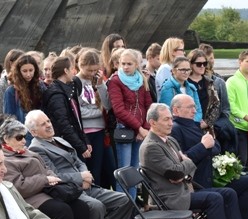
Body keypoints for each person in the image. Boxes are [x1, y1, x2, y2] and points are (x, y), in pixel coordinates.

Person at [139, 103, 248, 219]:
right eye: (166, 119)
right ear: (152, 122)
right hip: (171, 198)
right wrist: (183, 168)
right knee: (214, 199)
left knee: (228, 193)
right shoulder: (150, 147)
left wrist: (183, 169)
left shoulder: (170, 140)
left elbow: (182, 170)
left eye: (170, 119)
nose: (170, 123)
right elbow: (176, 172)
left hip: (183, 189)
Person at [26, 110, 130, 219]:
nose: (48, 125)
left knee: (124, 200)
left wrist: (85, 174)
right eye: (43, 124)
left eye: (48, 121)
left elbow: (78, 161)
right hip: (70, 190)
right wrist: (80, 178)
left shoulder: (59, 140)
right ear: (34, 132)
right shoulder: (36, 149)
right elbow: (54, 175)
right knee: (96, 206)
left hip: (87, 184)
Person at [169, 94, 248, 219]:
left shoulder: (195, 125)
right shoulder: (176, 130)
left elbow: (215, 147)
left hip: (213, 173)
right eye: (190, 107)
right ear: (176, 110)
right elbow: (183, 160)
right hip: (200, 181)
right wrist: (203, 146)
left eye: (194, 107)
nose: (194, 110)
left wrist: (212, 148)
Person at [0, 117, 89, 219]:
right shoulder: (5, 159)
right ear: (6, 139)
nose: (24, 141)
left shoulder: (27, 152)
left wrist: (53, 178)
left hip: (48, 191)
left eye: (24, 137)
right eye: (19, 138)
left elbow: (46, 169)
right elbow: (18, 186)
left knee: (81, 208)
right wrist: (45, 180)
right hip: (30, 199)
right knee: (62, 211)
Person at [107, 48, 152, 202]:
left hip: (141, 130)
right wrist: (139, 128)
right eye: (123, 64)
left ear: (137, 64)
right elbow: (119, 110)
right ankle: (124, 209)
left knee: (134, 172)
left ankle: (132, 209)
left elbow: (148, 105)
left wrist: (145, 128)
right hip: (125, 129)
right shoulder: (115, 81)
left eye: (129, 64)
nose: (125, 67)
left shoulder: (141, 79)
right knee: (124, 172)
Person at [76, 48, 115, 190]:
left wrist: (100, 84)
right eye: (89, 70)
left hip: (100, 131)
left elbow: (107, 105)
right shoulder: (76, 82)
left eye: (95, 70)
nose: (92, 73)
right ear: (80, 66)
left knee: (100, 170)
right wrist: (99, 112)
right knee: (90, 170)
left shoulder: (97, 80)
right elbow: (77, 111)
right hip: (85, 131)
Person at [43, 56, 91, 159]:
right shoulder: (56, 95)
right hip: (65, 145)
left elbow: (76, 120)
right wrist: (80, 146)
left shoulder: (68, 89)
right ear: (66, 70)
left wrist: (85, 140)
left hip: (73, 142)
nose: (74, 72)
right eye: (72, 69)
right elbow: (64, 124)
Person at [199, 44, 238, 154]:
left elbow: (225, 109)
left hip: (217, 129)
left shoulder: (219, 81)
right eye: (207, 59)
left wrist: (215, 126)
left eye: (212, 58)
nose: (210, 62)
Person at [3, 54, 46, 127]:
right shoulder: (11, 91)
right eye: (24, 71)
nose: (28, 74)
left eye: (31, 70)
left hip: (40, 128)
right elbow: (9, 118)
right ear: (19, 72)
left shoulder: (41, 87)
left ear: (35, 70)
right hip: (22, 129)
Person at [158, 56, 203, 123]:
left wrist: (192, 122)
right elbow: (168, 113)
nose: (186, 72)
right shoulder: (167, 87)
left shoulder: (192, 88)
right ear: (173, 71)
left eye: (188, 70)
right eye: (183, 70)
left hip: (192, 124)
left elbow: (198, 111)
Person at [0, 49, 24, 116]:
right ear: (11, 63)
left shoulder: (26, 82)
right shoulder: (2, 86)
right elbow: (0, 113)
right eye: (21, 63)